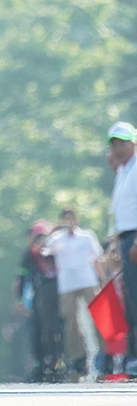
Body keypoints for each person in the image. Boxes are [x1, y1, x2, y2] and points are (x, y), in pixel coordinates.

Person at [43, 208, 105, 376]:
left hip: (87, 280)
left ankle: (104, 353)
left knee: (97, 316)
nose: (69, 221)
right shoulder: (57, 239)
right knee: (71, 320)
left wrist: (102, 279)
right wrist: (54, 230)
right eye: (66, 218)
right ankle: (78, 357)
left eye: (71, 218)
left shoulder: (87, 236)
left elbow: (96, 258)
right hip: (67, 284)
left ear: (77, 219)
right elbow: (44, 250)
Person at [14, 219, 64, 382]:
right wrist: (20, 300)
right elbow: (21, 278)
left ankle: (59, 359)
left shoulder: (56, 251)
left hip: (58, 295)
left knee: (58, 327)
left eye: (44, 237)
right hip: (37, 297)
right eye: (37, 237)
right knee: (37, 329)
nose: (41, 241)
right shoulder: (29, 254)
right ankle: (40, 361)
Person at [107, 121, 137, 372]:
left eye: (122, 143)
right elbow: (118, 211)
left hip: (136, 238)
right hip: (125, 238)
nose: (117, 148)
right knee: (131, 298)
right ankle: (133, 356)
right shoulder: (123, 171)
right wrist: (114, 243)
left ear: (133, 143)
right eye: (114, 144)